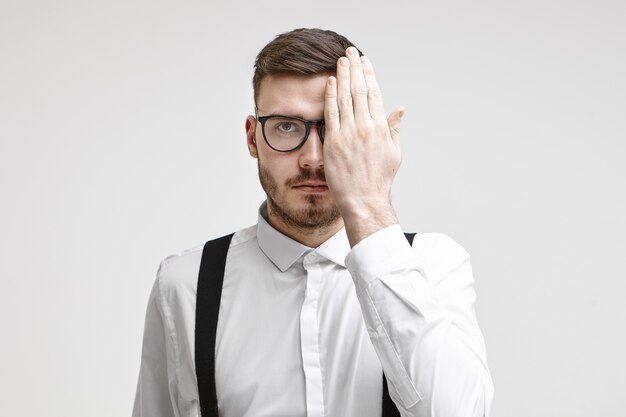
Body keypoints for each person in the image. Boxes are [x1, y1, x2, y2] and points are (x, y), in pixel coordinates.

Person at [132, 28, 494, 417]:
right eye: (287, 126)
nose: (313, 158)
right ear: (253, 139)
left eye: (334, 127)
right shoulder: (185, 284)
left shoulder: (432, 266)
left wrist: (370, 208)